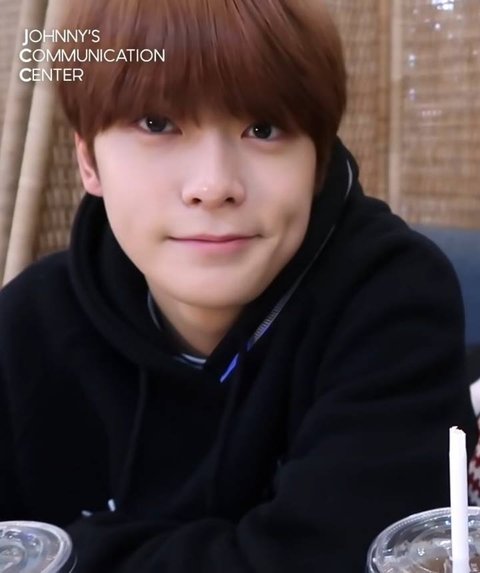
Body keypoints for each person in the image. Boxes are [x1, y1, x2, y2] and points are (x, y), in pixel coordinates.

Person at [0, 0, 477, 571]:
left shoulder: (395, 300)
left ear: (318, 160)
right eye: (157, 124)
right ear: (88, 160)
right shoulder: (26, 327)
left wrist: (71, 553)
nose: (213, 185)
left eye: (263, 128)